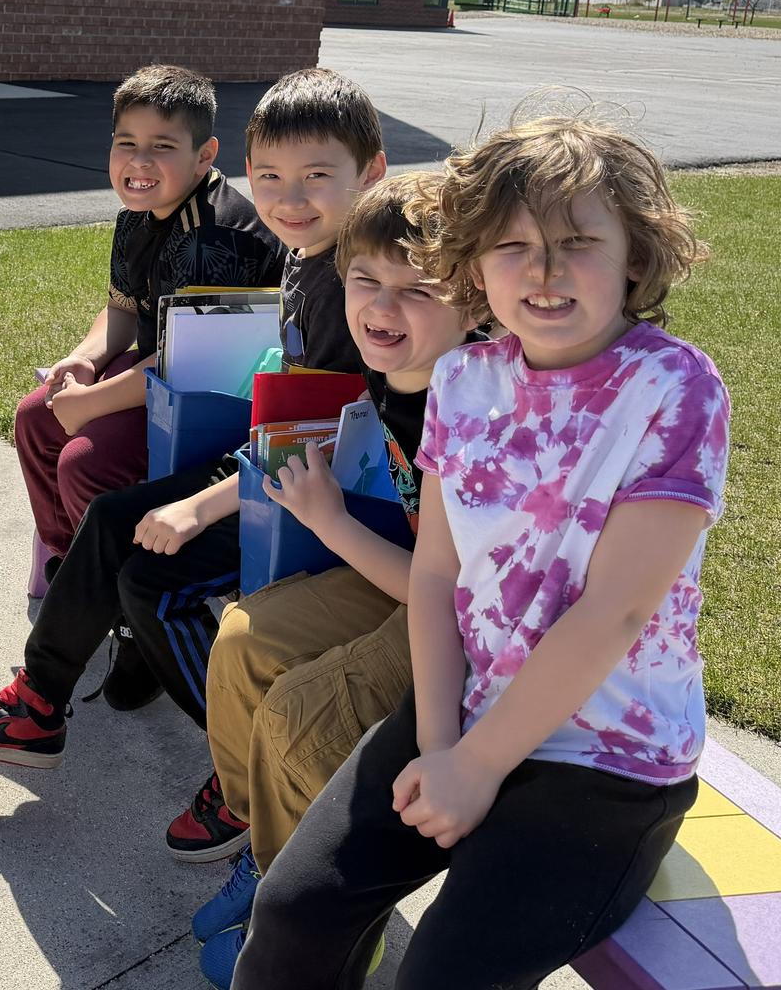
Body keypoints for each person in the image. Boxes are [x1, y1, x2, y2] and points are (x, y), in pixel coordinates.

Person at [233, 115, 730, 990]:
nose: (543, 272)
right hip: (463, 714)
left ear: (637, 259)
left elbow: (612, 612)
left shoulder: (673, 387)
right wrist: (437, 744)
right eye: (511, 246)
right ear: (471, 264)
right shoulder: (465, 378)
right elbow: (437, 573)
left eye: (578, 241)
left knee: (441, 977)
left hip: (608, 759)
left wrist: (477, 764)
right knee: (293, 913)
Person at [0, 70, 386, 865]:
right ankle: (36, 705)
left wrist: (203, 506)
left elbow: (340, 434)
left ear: (369, 172)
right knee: (111, 524)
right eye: (269, 177)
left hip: (337, 499)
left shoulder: (358, 278)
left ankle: (251, 771)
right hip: (282, 464)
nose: (287, 199)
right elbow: (289, 401)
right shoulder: (311, 255)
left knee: (150, 580)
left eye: (314, 177)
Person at [191, 172, 484, 987]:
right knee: (244, 639)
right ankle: (269, 858)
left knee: (300, 713)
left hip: (469, 617)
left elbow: (448, 591)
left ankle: (331, 917)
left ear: (476, 300)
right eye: (365, 280)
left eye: (417, 288)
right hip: (415, 572)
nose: (381, 309)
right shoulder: (399, 376)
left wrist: (329, 522)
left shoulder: (470, 400)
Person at [16, 64, 280, 573]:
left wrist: (91, 404)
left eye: (162, 146)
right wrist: (84, 362)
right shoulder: (137, 215)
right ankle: (70, 558)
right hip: (159, 372)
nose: (139, 161)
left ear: (204, 156)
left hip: (217, 398)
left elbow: (191, 364)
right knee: (36, 416)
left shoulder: (217, 236)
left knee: (86, 461)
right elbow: (122, 306)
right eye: (125, 143)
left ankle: (113, 589)